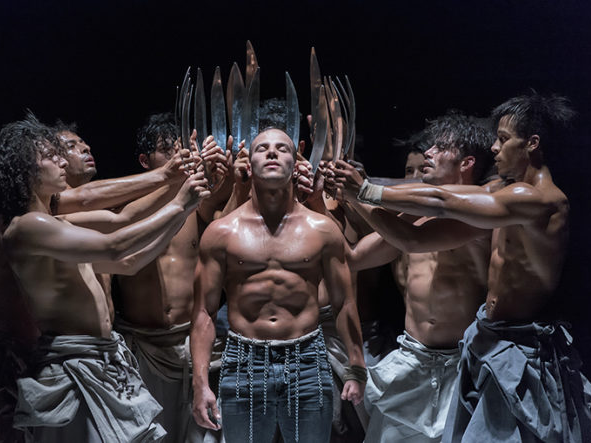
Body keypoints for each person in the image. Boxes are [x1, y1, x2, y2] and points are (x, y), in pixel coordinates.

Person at [335, 94, 591, 442]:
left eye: (503, 139)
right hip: (486, 341)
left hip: (519, 346)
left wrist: (365, 190)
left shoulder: (538, 199)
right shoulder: (502, 195)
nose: (494, 148)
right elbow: (416, 231)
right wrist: (350, 189)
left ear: (531, 143)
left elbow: (444, 200)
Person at [0, 114, 209, 441]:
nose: (62, 162)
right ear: (25, 168)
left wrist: (184, 203)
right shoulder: (28, 226)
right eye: (50, 156)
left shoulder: (56, 222)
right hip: (73, 363)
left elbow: (127, 253)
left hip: (102, 356)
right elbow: (114, 246)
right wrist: (178, 204)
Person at [190, 128, 365, 443]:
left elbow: (344, 303)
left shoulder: (322, 229)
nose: (272, 152)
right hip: (243, 361)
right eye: (262, 148)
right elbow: (204, 311)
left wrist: (357, 365)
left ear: (296, 163)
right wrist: (200, 383)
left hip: (307, 360)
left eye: (282, 148)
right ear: (249, 163)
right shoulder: (222, 232)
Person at [336, 113, 494, 442]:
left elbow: (411, 241)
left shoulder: (481, 210)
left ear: (467, 162)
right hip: (412, 358)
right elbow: (355, 258)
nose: (428, 153)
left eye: (440, 148)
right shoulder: (415, 214)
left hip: (463, 364)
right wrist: (335, 198)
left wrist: (359, 193)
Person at [114, 113, 229, 443]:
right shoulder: (125, 205)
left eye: (182, 149)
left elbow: (228, 217)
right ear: (144, 160)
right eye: (167, 150)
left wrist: (229, 175)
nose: (178, 157)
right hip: (143, 342)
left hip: (192, 339)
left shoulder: (198, 203)